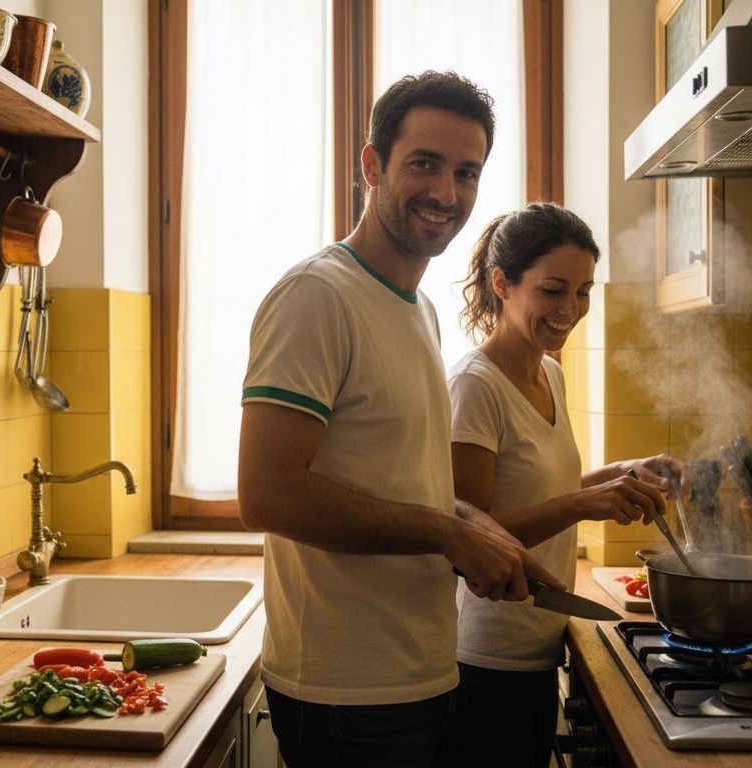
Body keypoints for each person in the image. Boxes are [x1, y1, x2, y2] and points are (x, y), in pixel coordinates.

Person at [236, 72, 564, 768]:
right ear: (372, 165)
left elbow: (404, 483)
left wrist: (484, 535)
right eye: (424, 164)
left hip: (421, 673)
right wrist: (448, 533)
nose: (446, 193)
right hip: (346, 696)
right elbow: (266, 493)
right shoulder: (316, 296)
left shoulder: (420, 310)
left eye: (466, 173)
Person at [448, 203, 690, 766]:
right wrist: (584, 504)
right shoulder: (475, 386)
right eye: (553, 290)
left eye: (583, 292)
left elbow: (537, 486)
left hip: (538, 642)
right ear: (502, 283)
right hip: (485, 659)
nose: (570, 310)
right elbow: (470, 533)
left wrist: (626, 471)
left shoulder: (549, 372)